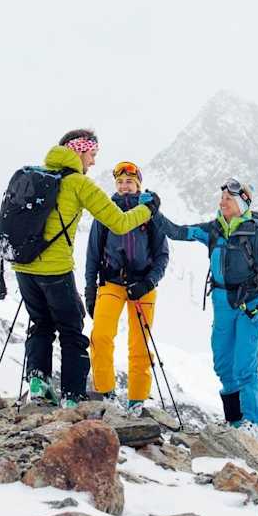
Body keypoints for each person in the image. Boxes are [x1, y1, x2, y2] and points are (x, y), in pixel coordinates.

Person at [12, 130, 159, 408]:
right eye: (92, 155)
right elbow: (118, 223)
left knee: (41, 323)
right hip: (55, 270)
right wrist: (148, 210)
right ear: (79, 150)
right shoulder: (79, 183)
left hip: (23, 267)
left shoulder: (36, 174)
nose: (92, 163)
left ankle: (38, 382)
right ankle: (72, 397)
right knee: (72, 329)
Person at [153, 178, 258, 437]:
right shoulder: (214, 230)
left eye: (228, 200)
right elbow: (178, 232)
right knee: (222, 363)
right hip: (222, 305)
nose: (222, 203)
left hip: (249, 307)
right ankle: (234, 421)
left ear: (242, 203)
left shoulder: (254, 233)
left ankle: (253, 422)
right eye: (221, 199)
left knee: (244, 365)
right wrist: (155, 213)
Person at [85, 160, 170, 416]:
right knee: (100, 336)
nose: (124, 186)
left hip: (143, 286)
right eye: (120, 182)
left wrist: (148, 282)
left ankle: (137, 401)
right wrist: (90, 290)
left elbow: (162, 255)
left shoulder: (150, 213)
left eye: (129, 182)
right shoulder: (105, 212)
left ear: (138, 185)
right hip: (111, 282)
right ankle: (106, 393)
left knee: (140, 344)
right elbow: (92, 254)